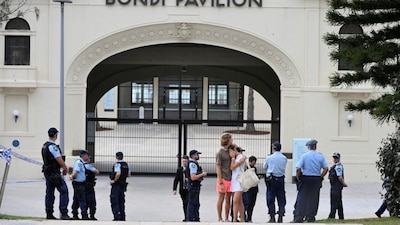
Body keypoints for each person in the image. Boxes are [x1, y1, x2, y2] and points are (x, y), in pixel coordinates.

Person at [292, 139, 328, 223]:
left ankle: (299, 217)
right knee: (314, 198)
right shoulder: (320, 156)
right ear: (315, 147)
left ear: (308, 147)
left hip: (306, 178)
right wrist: (321, 176)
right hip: (316, 179)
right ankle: (310, 216)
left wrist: (298, 178)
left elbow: (298, 169)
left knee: (302, 198)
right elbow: (326, 168)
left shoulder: (304, 156)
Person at [41, 127, 72, 220]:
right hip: (54, 173)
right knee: (64, 191)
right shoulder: (53, 147)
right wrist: (65, 169)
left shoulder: (44, 145)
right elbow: (60, 160)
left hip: (47, 172)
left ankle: (49, 213)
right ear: (56, 135)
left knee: (49, 193)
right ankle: (64, 213)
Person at [263, 141, 287, 223]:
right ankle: (280, 216)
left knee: (270, 198)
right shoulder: (284, 158)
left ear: (273, 148)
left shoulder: (269, 157)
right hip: (281, 179)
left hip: (271, 179)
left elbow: (264, 166)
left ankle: (272, 216)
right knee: (281, 198)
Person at [216, 133, 233, 222]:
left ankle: (226, 217)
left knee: (228, 199)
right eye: (231, 139)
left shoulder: (231, 150)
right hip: (223, 177)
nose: (232, 140)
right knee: (221, 198)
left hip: (230, 177)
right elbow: (218, 167)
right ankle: (219, 217)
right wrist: (220, 181)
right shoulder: (220, 153)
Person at [186, 149, 207, 222]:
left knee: (195, 203)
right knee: (193, 203)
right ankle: (193, 219)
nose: (198, 156)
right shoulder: (193, 164)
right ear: (193, 155)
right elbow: (193, 177)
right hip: (194, 187)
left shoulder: (193, 163)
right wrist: (202, 174)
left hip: (193, 186)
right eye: (197, 154)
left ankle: (193, 218)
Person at [69, 150, 91, 220]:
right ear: (83, 155)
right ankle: (84, 215)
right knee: (82, 199)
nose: (88, 157)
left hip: (79, 184)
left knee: (76, 199)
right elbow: (76, 171)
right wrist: (72, 176)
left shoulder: (81, 162)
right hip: (79, 184)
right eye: (87, 155)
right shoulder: (79, 163)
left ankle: (75, 214)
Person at [110, 151, 130, 221]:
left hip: (116, 185)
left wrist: (114, 180)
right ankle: (122, 216)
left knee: (115, 201)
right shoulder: (126, 164)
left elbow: (118, 173)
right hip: (123, 185)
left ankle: (117, 217)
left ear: (116, 157)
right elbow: (129, 175)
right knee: (121, 201)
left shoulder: (117, 164)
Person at [229, 143, 247, 222]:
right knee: (239, 201)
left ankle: (235, 218)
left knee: (235, 200)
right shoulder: (237, 158)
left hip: (239, 181)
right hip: (235, 180)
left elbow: (232, 167)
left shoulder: (240, 157)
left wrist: (233, 158)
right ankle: (242, 218)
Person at [328, 152, 348, 220]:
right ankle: (340, 217)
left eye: (336, 158)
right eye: (334, 157)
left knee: (334, 201)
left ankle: (332, 216)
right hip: (335, 186)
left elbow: (339, 177)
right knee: (338, 202)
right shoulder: (335, 166)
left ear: (339, 158)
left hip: (336, 186)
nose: (335, 159)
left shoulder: (338, 166)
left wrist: (343, 184)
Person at [173, 155, 190, 221]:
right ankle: (186, 216)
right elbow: (176, 180)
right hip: (182, 190)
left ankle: (189, 217)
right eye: (183, 161)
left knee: (188, 202)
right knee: (184, 203)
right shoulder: (179, 170)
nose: (184, 163)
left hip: (189, 189)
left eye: (185, 161)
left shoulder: (190, 169)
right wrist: (174, 189)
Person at [84, 153, 100, 220]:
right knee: (91, 201)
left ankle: (84, 215)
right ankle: (92, 216)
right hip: (89, 186)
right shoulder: (88, 166)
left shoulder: (80, 165)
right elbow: (97, 172)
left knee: (83, 201)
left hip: (82, 186)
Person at [244, 156, 259, 222]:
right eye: (253, 162)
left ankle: (249, 217)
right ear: (250, 162)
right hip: (249, 188)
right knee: (248, 202)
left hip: (254, 188)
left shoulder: (254, 168)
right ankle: (244, 215)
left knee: (252, 203)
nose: (254, 164)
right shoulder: (246, 168)